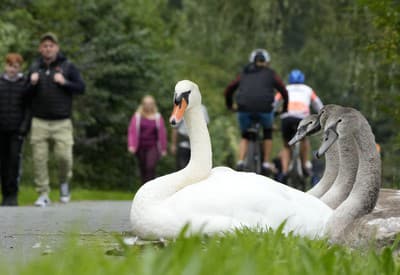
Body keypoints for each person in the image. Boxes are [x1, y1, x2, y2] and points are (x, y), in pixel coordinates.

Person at [29, 33, 85, 207]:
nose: (48, 48)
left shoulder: (67, 66)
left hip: (62, 122)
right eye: (44, 46)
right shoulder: (34, 67)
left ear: (57, 48)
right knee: (39, 159)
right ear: (40, 49)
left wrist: (65, 82)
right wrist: (30, 83)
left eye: (51, 45)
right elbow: (24, 95)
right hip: (39, 121)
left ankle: (63, 183)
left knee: (64, 157)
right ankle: (43, 193)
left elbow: (81, 88)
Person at [224, 49, 289, 175]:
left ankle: (241, 161)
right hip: (265, 109)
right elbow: (284, 91)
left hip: (244, 109)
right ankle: (265, 162)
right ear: (267, 62)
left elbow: (229, 89)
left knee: (244, 136)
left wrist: (230, 105)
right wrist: (285, 108)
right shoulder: (271, 74)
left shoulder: (244, 73)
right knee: (267, 132)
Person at [275, 69, 323, 183]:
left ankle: (285, 172)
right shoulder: (308, 89)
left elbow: (275, 102)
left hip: (287, 118)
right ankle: (305, 166)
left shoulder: (285, 88)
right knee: (304, 139)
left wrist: (274, 112)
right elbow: (318, 104)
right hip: (302, 118)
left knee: (286, 146)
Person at [0, 53, 31, 206]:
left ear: (20, 67)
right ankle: (5, 193)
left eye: (16, 66)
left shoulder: (24, 83)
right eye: (10, 66)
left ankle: (12, 195)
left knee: (14, 161)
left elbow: (28, 108)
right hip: (1, 130)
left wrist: (24, 127)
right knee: (3, 163)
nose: (13, 69)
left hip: (17, 130)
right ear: (6, 66)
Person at [128, 95, 168, 184]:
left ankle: (150, 186)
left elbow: (162, 134)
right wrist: (131, 145)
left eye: (150, 103)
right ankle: (143, 187)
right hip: (140, 146)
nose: (148, 105)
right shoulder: (137, 116)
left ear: (153, 105)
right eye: (146, 103)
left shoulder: (158, 117)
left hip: (153, 146)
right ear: (143, 105)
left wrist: (163, 148)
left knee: (150, 166)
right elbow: (132, 131)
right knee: (143, 168)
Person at [171, 104, 209, 170]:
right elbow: (175, 128)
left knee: (197, 169)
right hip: (183, 144)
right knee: (182, 168)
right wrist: (173, 145)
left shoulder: (203, 109)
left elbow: (206, 127)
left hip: (198, 146)